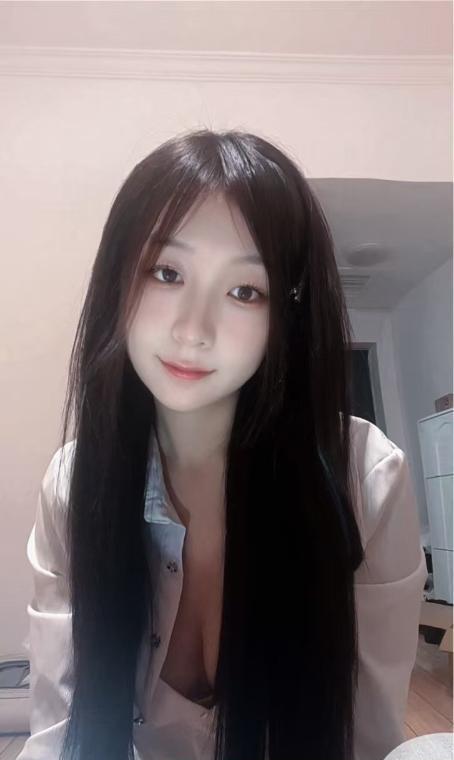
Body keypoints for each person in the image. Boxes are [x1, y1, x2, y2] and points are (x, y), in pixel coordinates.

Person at [18, 129, 427, 760]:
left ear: (286, 314)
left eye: (245, 291)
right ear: (118, 281)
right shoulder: (76, 487)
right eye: (167, 272)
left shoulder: (363, 479)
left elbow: (366, 739)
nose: (193, 330)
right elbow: (60, 733)